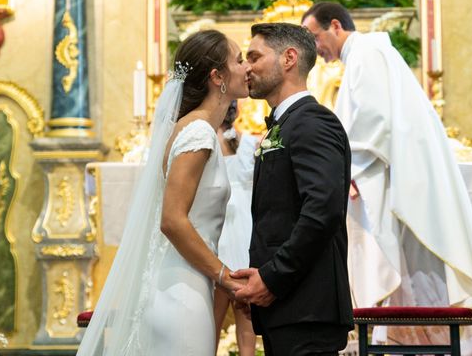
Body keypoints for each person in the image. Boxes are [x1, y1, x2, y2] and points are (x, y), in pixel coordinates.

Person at [301, 1, 472, 356]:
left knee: (429, 282)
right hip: (395, 180)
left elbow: (374, 122)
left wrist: (341, 167)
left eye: (314, 37)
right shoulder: (363, 57)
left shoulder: (367, 54)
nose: (315, 48)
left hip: (402, 188)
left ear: (335, 25)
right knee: (420, 286)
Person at [78, 29, 251, 355]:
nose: (247, 68)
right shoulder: (198, 131)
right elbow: (172, 219)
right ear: (218, 77)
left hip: (184, 282)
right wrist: (224, 275)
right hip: (181, 292)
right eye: (239, 60)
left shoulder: (192, 128)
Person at [232, 22, 353, 356]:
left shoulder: (313, 122)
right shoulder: (285, 123)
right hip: (289, 306)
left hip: (307, 306)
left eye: (255, 57)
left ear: (288, 59)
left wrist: (272, 278)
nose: (247, 67)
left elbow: (322, 210)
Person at [214, 101, 257, 356]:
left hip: (218, 231)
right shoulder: (249, 143)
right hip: (245, 230)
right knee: (246, 323)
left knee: (211, 321)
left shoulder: (205, 142)